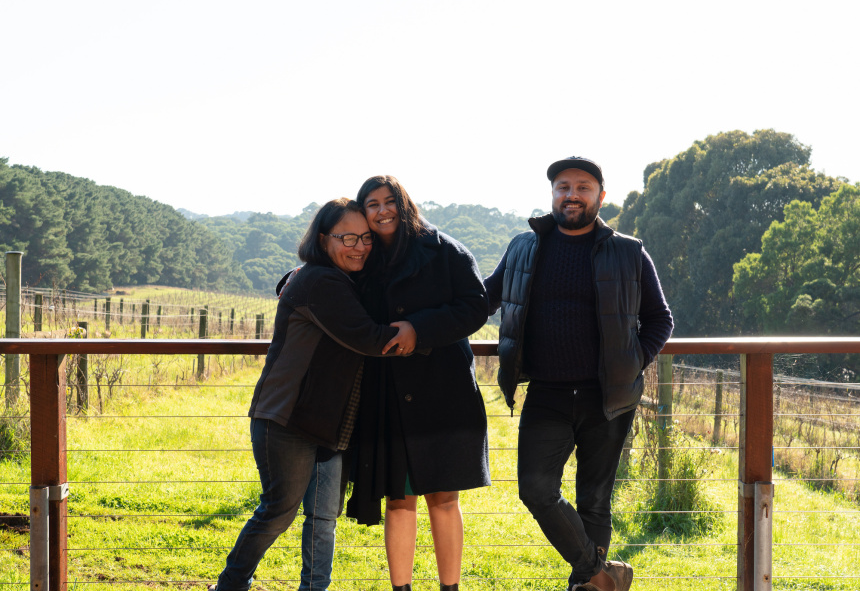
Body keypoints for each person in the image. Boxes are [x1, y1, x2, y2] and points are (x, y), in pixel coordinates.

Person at [484, 157, 673, 591]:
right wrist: (425, 323)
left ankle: (586, 585)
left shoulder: (628, 251)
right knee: (535, 490)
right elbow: (484, 299)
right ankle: (602, 574)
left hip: (606, 397)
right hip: (546, 394)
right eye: (563, 187)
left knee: (595, 500)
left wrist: (630, 362)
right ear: (553, 194)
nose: (572, 195)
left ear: (600, 196)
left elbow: (660, 319)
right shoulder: (523, 247)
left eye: (583, 187)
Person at [212, 198, 411, 591]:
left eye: (366, 238)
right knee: (278, 511)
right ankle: (231, 584)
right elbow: (368, 338)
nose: (359, 246)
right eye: (347, 238)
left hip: (330, 424)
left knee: (322, 517)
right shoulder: (321, 281)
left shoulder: (339, 281)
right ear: (323, 239)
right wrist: (420, 332)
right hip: (288, 419)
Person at [345, 175, 491, 591]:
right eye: (372, 204)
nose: (382, 211)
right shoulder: (364, 254)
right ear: (363, 212)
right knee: (398, 499)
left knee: (443, 499)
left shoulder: (445, 250)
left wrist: (419, 329)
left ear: (404, 203)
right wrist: (295, 276)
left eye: (389, 201)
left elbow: (476, 306)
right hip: (387, 394)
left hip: (444, 392)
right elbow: (328, 269)